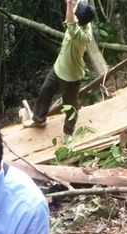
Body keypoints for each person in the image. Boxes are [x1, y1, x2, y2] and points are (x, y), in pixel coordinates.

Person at [24, 0, 96, 135]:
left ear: (79, 19)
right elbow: (77, 10)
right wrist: (72, 3)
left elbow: (70, 20)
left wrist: (69, 4)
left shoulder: (81, 35)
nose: (74, 9)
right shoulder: (86, 20)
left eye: (76, 10)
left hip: (70, 76)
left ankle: (68, 132)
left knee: (70, 106)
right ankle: (39, 120)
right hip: (58, 68)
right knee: (45, 93)